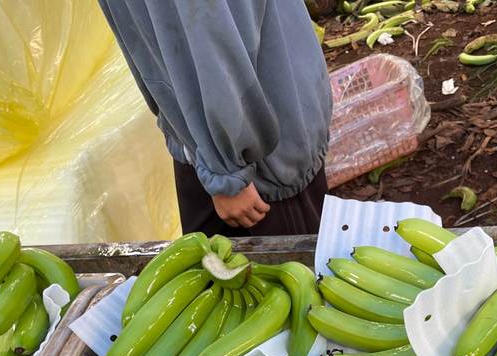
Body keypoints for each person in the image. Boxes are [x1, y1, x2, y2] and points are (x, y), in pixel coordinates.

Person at [97, 1, 333, 236]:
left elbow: (205, 27)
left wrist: (227, 173)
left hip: (256, 153)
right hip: (225, 140)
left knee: (298, 255)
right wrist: (223, 169)